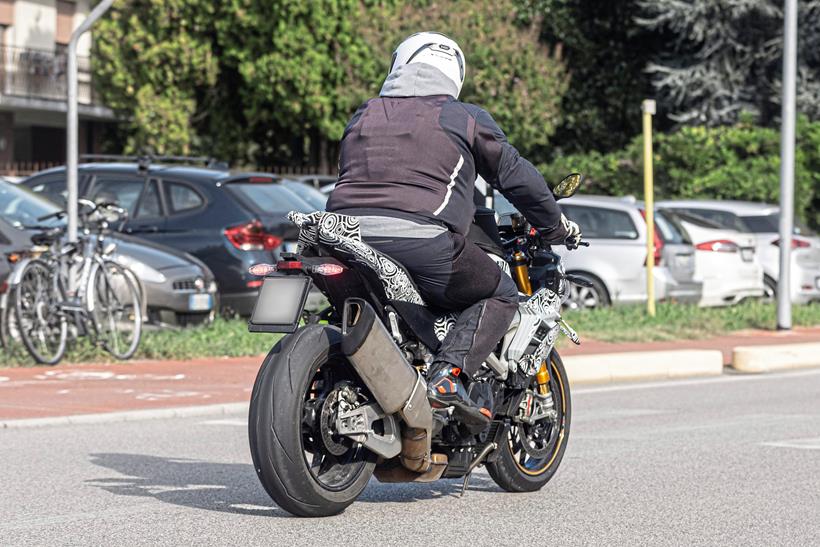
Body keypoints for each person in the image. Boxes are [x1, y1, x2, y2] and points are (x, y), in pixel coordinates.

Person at [327, 31, 581, 423]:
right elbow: (516, 177)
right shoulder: (463, 117)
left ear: (400, 64)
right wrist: (555, 227)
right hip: (420, 241)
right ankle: (449, 375)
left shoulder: (364, 112)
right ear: (454, 74)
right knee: (500, 292)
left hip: (340, 235)